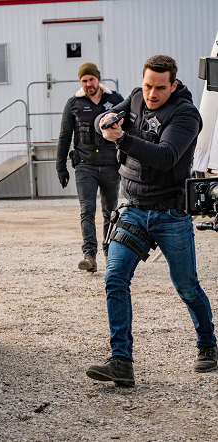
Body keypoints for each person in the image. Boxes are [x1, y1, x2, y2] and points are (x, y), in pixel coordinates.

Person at [86, 55, 217, 387]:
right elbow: (107, 117)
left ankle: (208, 345)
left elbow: (166, 156)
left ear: (173, 85)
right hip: (133, 208)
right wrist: (106, 119)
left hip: (171, 214)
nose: (151, 94)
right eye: (147, 86)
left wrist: (121, 138)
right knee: (115, 277)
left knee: (186, 286)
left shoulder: (186, 114)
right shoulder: (133, 97)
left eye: (160, 88)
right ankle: (121, 361)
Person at [56, 62, 124, 273]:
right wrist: (61, 167)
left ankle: (110, 253)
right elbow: (65, 136)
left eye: (91, 80)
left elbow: (129, 130)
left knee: (110, 212)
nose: (88, 84)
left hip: (110, 165)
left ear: (98, 79)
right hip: (85, 165)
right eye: (84, 81)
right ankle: (90, 256)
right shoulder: (73, 104)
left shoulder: (115, 100)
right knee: (87, 210)